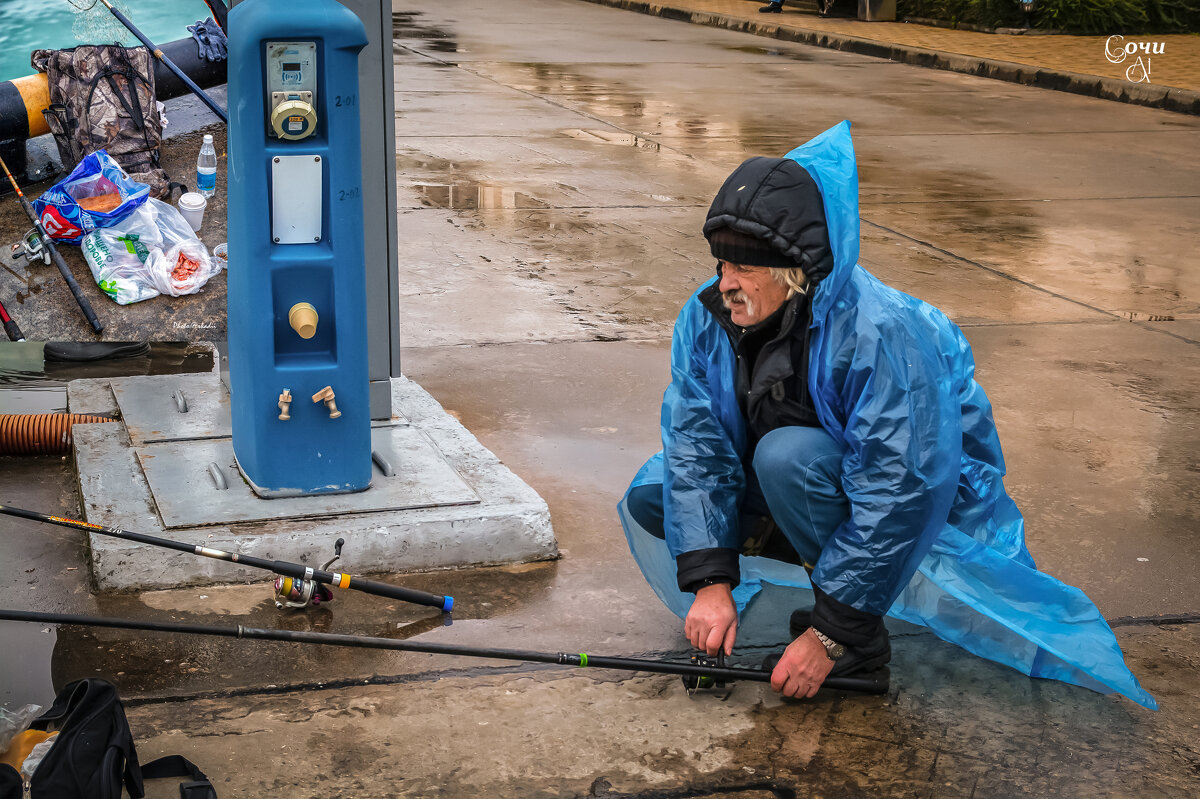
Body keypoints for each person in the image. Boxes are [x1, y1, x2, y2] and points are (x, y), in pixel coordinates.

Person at [617, 121, 1156, 709]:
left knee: (786, 457)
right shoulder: (706, 316)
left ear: (795, 274)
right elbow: (697, 443)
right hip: (823, 482)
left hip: (916, 504)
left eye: (745, 269)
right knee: (658, 489)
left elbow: (903, 487)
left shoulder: (880, 332)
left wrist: (830, 633)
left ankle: (861, 638)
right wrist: (711, 582)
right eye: (721, 262)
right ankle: (810, 559)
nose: (726, 284)